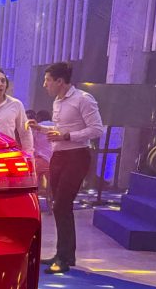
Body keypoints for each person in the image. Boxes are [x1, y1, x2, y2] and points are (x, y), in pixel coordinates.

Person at [28, 62, 104, 274]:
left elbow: (97, 129)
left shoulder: (83, 99)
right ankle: (64, 254)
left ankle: (64, 257)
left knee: (62, 204)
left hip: (76, 156)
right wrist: (41, 128)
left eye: (47, 80)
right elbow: (60, 130)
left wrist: (67, 136)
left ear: (60, 81)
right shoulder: (57, 102)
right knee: (57, 204)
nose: (45, 85)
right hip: (59, 155)